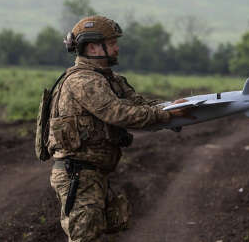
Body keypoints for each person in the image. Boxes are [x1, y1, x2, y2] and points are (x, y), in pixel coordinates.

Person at [49, 15, 191, 242]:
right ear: (93, 47)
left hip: (92, 173)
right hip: (79, 174)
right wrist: (165, 116)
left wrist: (171, 107)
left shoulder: (108, 78)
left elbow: (139, 104)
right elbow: (118, 113)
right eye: (112, 43)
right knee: (85, 238)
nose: (117, 48)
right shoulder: (84, 81)